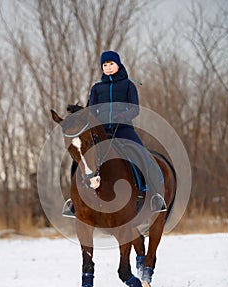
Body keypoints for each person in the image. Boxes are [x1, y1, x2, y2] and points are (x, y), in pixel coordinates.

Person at [62, 51, 166, 218]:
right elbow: (91, 110)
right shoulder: (97, 88)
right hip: (101, 131)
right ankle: (74, 201)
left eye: (111, 64)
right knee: (80, 158)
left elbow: (135, 109)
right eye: (105, 65)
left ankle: (155, 196)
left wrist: (122, 116)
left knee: (144, 155)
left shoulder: (128, 85)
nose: (108, 68)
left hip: (124, 129)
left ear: (118, 64)